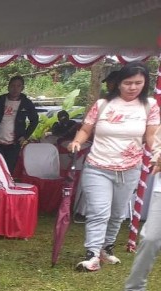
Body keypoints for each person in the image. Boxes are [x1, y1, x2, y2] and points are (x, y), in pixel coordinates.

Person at [68, 61, 159, 272]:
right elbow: (86, 129)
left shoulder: (149, 106)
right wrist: (77, 141)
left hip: (130, 168)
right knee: (99, 212)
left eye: (138, 83)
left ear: (144, 84)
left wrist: (157, 153)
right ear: (119, 83)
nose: (132, 87)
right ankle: (92, 254)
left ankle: (106, 248)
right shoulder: (102, 105)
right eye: (128, 82)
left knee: (118, 214)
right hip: (97, 166)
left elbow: (152, 136)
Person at [0, 75, 39, 173]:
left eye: (18, 86)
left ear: (22, 88)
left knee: (8, 169)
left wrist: (25, 136)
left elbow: (35, 120)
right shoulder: (0, 101)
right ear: (8, 87)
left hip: (14, 143)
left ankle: (6, 187)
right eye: (13, 86)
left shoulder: (26, 103)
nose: (15, 89)